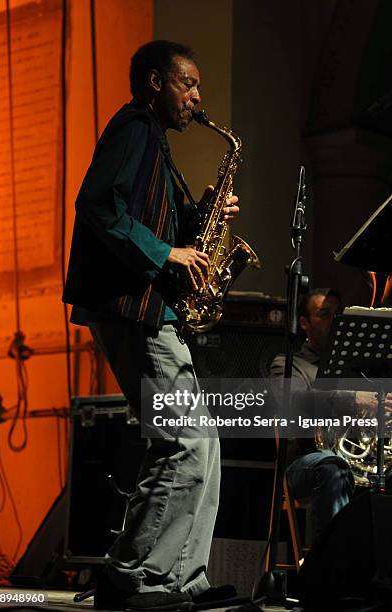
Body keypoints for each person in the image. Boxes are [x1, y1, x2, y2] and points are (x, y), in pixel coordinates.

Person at [63, 41, 239, 611]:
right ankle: (130, 573)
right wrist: (166, 254)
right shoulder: (135, 127)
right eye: (189, 85)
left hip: (152, 310)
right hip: (134, 309)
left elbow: (150, 215)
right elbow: (96, 206)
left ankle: (183, 580)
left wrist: (207, 209)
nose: (197, 98)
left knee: (202, 443)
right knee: (181, 440)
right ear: (157, 82)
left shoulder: (155, 146)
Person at [270, 288, 392, 542]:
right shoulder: (289, 363)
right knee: (333, 466)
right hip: (307, 461)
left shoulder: (363, 367)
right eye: (325, 314)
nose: (334, 321)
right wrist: (353, 400)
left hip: (364, 463)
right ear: (304, 323)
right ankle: (329, 569)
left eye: (338, 314)